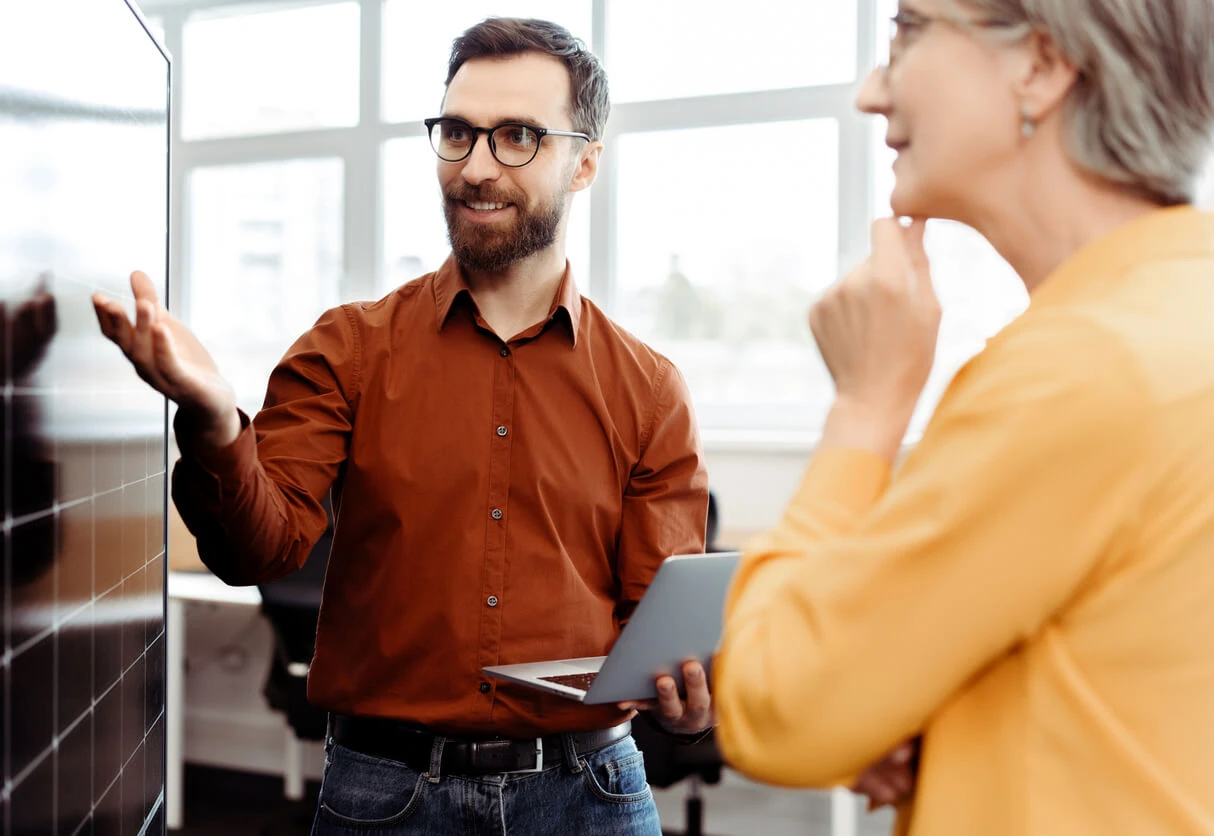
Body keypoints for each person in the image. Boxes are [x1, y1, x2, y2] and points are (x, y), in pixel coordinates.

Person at [92, 18, 713, 835]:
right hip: (386, 798)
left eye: (518, 137)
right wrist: (212, 421)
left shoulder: (650, 389)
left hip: (588, 795)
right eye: (458, 133)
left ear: (585, 161)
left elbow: (662, 629)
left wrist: (688, 694)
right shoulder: (346, 350)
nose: (477, 167)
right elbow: (255, 552)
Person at [712, 1, 1214, 834]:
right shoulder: (1180, 316)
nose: (871, 92)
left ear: (1040, 65)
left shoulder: (1075, 372)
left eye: (908, 32)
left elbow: (776, 707)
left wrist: (866, 407)